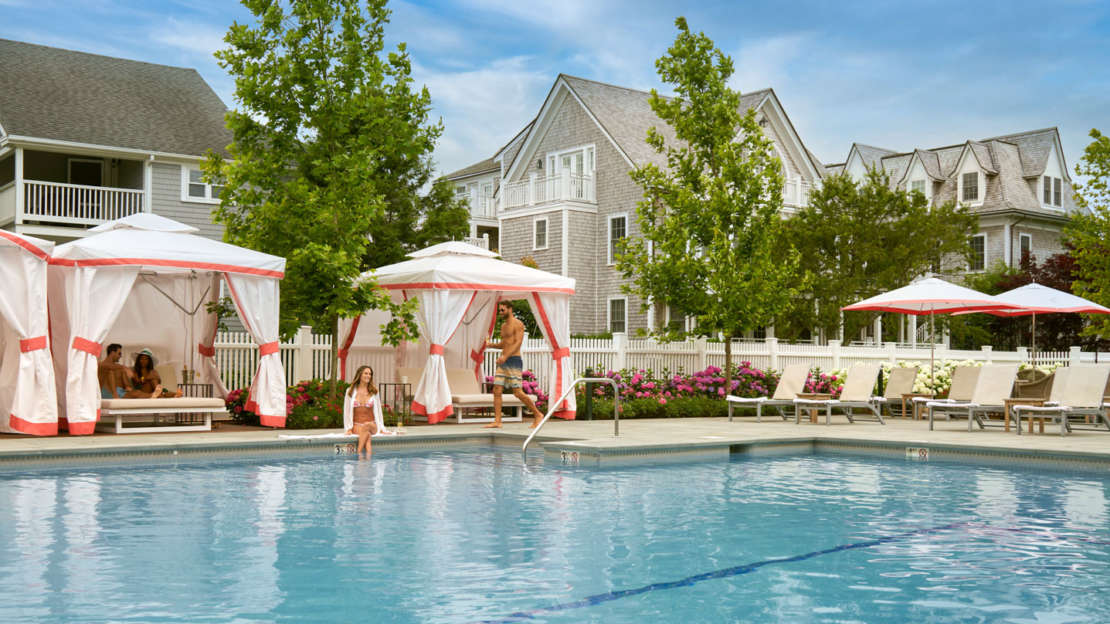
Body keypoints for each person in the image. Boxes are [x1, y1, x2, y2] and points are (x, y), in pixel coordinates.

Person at [485, 301, 544, 428]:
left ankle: (538, 414)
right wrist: (491, 345)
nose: (500, 312)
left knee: (517, 392)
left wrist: (505, 356)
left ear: (510, 309)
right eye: (499, 310)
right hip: (503, 361)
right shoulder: (504, 326)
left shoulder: (518, 324)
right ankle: (498, 421)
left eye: (502, 310)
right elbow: (504, 344)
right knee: (497, 390)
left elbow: (518, 342)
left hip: (513, 360)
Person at [344, 365, 387, 457]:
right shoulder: (350, 391)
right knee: (366, 434)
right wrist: (348, 428)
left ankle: (358, 453)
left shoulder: (374, 391)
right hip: (357, 425)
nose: (368, 375)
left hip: (372, 425)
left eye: (370, 374)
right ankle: (366, 459)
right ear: (359, 375)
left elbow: (379, 411)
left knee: (367, 426)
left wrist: (382, 428)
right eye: (366, 373)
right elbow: (347, 411)